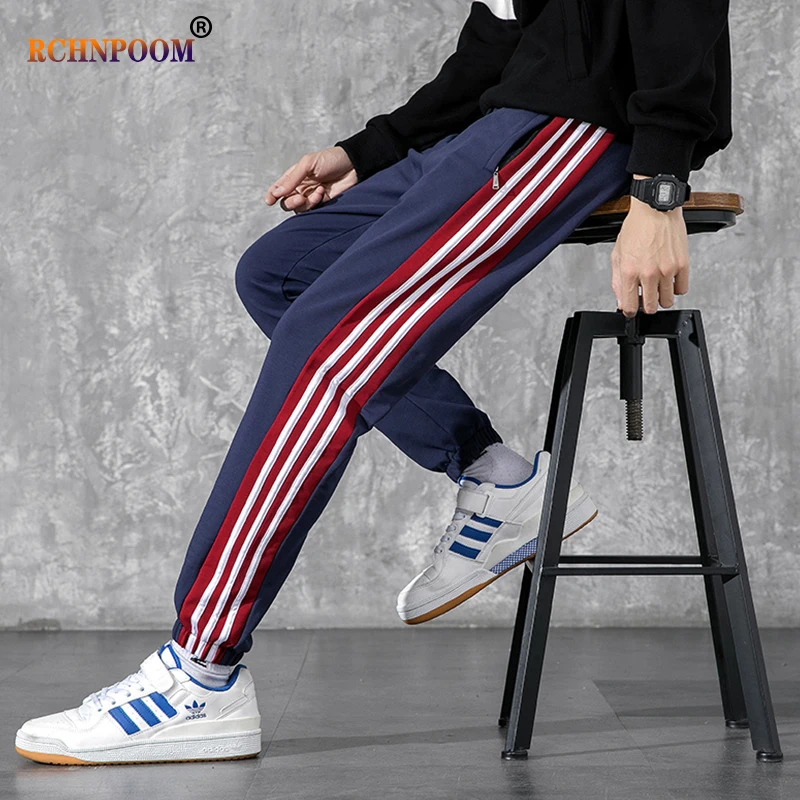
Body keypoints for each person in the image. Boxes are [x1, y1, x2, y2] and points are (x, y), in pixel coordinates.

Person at [15, 0, 732, 765]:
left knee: (325, 347)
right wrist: (367, 150)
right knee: (278, 274)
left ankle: (199, 675)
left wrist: (661, 182)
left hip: (578, 125)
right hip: (503, 123)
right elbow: (495, 46)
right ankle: (500, 479)